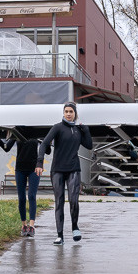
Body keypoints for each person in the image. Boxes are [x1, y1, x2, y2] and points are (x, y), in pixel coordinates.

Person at [38, 102, 92, 245]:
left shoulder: (78, 130)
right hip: (57, 170)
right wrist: (39, 162)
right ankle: (60, 235)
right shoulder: (57, 127)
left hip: (73, 168)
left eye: (71, 111)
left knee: (74, 200)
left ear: (75, 114)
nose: (68, 114)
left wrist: (86, 131)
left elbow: (89, 145)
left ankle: (75, 227)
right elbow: (44, 144)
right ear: (63, 113)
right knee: (59, 202)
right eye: (66, 111)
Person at [0, 133, 42, 237]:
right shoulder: (17, 132)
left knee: (31, 196)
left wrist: (48, 142)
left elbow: (47, 150)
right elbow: (6, 148)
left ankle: (31, 226)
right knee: (21, 198)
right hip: (20, 169)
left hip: (34, 169)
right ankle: (24, 225)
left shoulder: (35, 132)